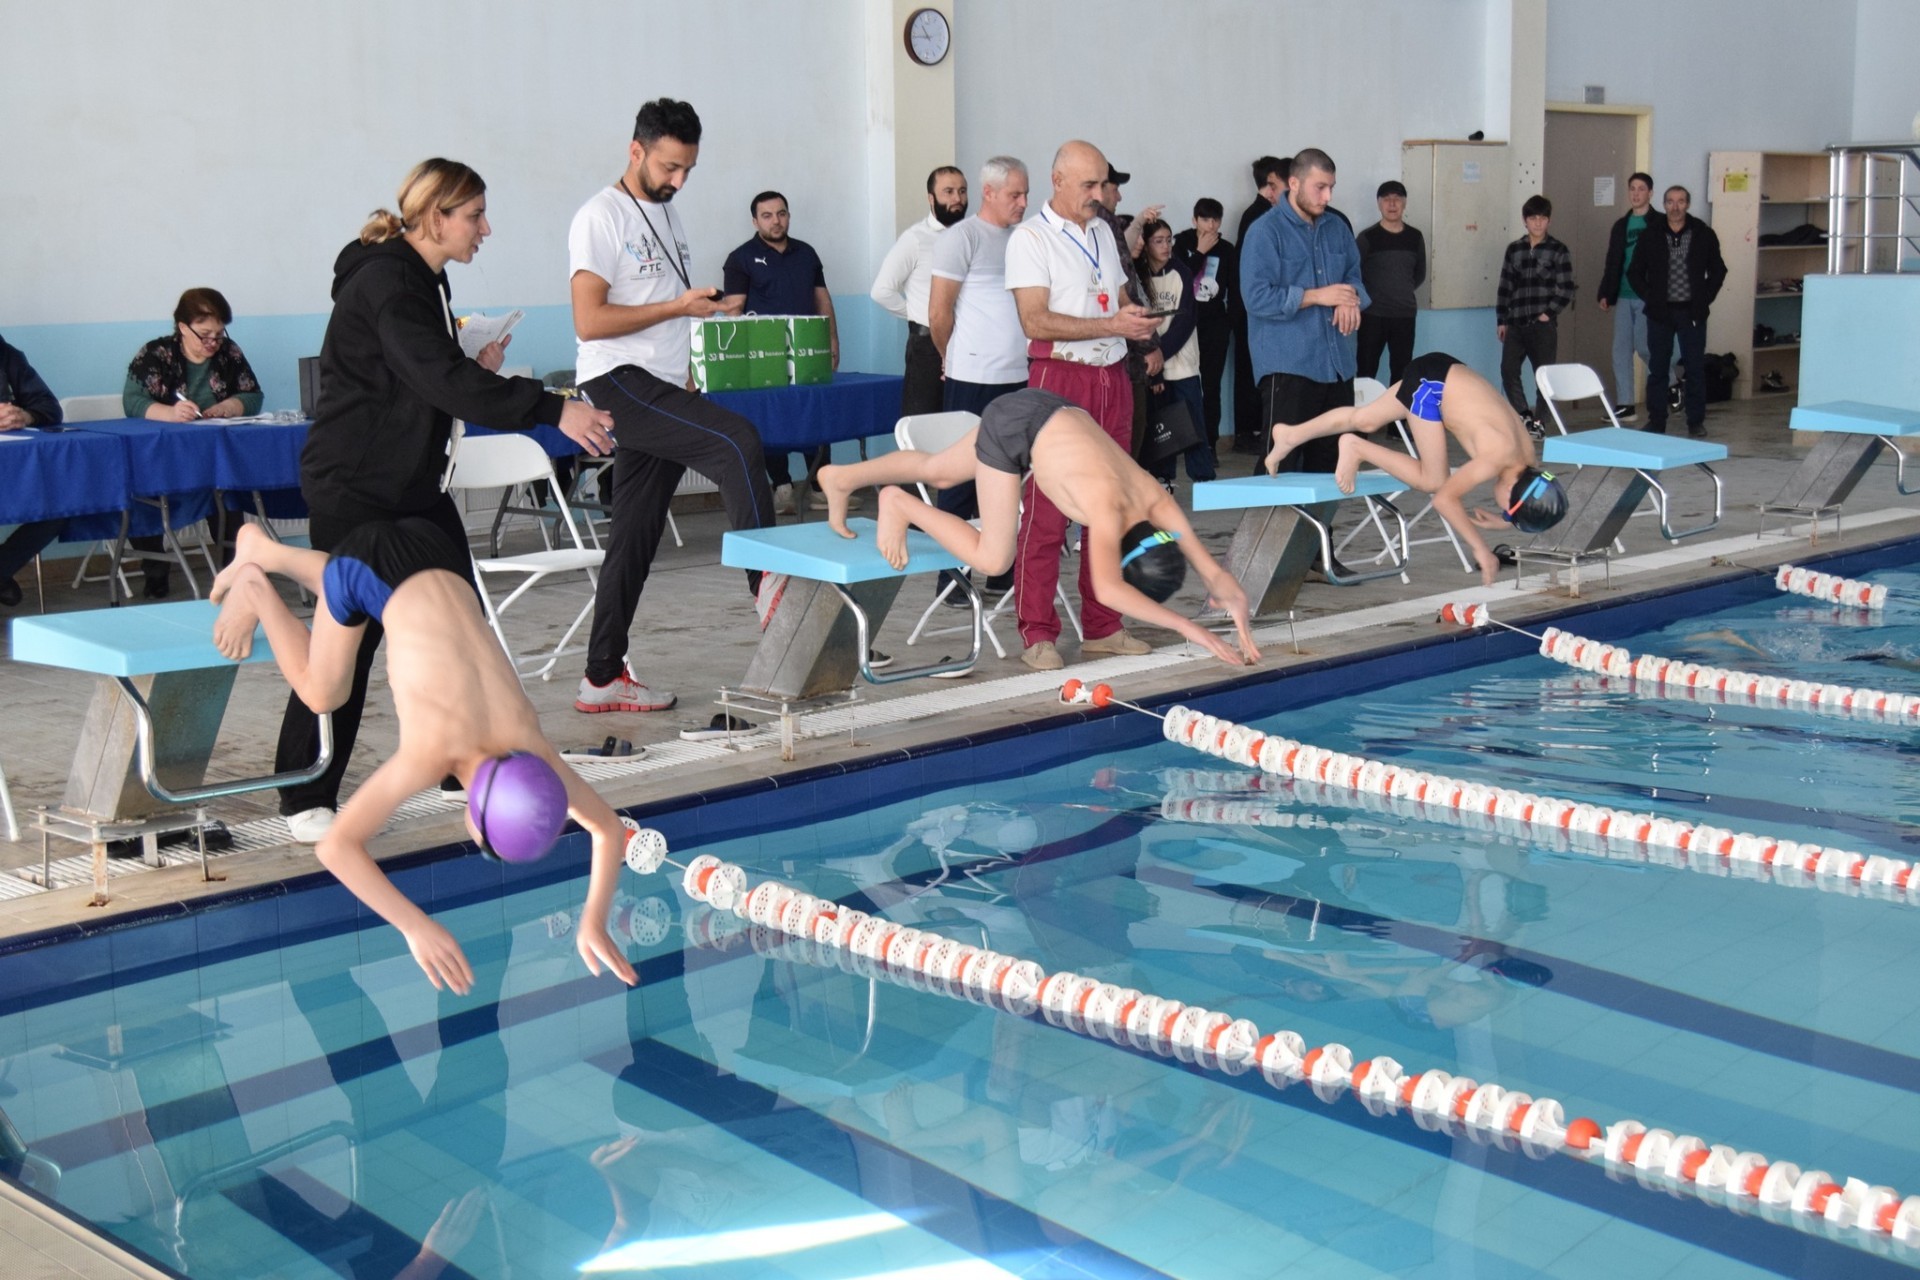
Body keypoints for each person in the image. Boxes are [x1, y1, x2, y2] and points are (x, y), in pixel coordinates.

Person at [275, 158, 615, 845]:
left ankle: (469, 765)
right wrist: (554, 410)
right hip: (356, 488)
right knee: (352, 642)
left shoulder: (424, 276)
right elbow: (434, 376)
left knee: (462, 617)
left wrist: (473, 365)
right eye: (475, 215)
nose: (485, 228)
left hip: (410, 487)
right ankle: (303, 792)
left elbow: (425, 373)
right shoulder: (388, 281)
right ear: (436, 218)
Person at [215, 522, 636, 996]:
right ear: (476, 812)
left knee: (367, 588)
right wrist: (415, 926)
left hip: (439, 553)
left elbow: (608, 828)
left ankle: (265, 549)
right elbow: (335, 848)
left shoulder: (532, 747)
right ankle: (255, 585)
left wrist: (594, 920)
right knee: (323, 693)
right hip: (369, 564)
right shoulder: (433, 751)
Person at [568, 98, 779, 717]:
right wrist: (677, 309)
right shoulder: (599, 217)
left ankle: (601, 677)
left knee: (634, 534)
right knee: (737, 442)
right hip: (617, 380)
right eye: (668, 167)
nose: (678, 180)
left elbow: (667, 301)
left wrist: (696, 330)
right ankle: (776, 609)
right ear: (636, 151)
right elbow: (590, 320)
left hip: (661, 383)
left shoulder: (669, 213)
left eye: (687, 169)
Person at [815, 389, 1259, 666]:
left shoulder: (1156, 502)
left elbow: (1209, 567)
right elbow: (1107, 590)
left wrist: (1231, 597)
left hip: (1045, 406)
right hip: (1020, 432)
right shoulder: (1108, 511)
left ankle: (840, 477)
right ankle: (899, 503)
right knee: (995, 557)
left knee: (940, 471)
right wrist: (1189, 627)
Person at [1003, 141, 1164, 671]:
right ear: (1057, 179)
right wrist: (1111, 325)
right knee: (1047, 511)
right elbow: (1034, 321)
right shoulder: (1030, 239)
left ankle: (1102, 626)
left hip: (1111, 376)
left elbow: (1115, 298)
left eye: (1103, 185)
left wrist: (1135, 319)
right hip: (1059, 379)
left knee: (1109, 507)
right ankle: (1037, 632)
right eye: (1088, 186)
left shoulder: (1102, 231)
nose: (1099, 196)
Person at [1263, 351, 1567, 587]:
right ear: (1514, 495)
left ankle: (1290, 434)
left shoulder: (1527, 456)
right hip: (1432, 388)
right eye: (1511, 513)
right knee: (1435, 479)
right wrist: (1480, 549)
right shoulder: (1496, 456)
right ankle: (1356, 448)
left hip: (1441, 369)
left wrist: (1503, 520)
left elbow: (1523, 495)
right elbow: (1444, 500)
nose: (1504, 512)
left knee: (1366, 419)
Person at [926, 155, 1030, 604]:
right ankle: (951, 578)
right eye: (1015, 195)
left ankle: (1002, 570)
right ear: (989, 193)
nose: (1023, 203)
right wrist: (950, 356)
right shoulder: (961, 237)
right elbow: (938, 312)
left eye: (1026, 194)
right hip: (972, 377)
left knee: (1008, 480)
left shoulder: (1024, 240)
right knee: (961, 480)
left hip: (1019, 375)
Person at [122, 288, 266, 597]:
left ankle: (234, 570)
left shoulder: (230, 352)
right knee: (137, 490)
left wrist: (231, 406)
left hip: (211, 453)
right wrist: (169, 413)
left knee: (227, 486)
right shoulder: (155, 354)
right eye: (204, 335)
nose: (213, 343)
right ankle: (156, 568)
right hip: (161, 453)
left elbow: (252, 395)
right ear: (182, 327)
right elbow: (132, 402)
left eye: (218, 333)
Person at [1241, 148, 1368, 497]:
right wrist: (1318, 296)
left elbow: (1356, 279)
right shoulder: (1264, 232)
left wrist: (1349, 299)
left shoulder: (1337, 227)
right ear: (1293, 183)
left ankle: (1317, 551)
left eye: (1332, 188)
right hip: (1289, 366)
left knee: (1329, 468)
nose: (1327, 196)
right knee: (1280, 464)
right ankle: (1267, 552)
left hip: (1337, 366)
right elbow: (1255, 297)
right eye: (1320, 187)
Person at [722, 191, 839, 513]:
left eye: (781, 213)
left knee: (814, 413)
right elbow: (734, 310)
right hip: (764, 355)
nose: (776, 221)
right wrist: (743, 356)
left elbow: (823, 300)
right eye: (768, 215)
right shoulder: (741, 258)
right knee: (773, 420)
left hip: (808, 349)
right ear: (755, 221)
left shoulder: (807, 253)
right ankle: (783, 488)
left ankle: (818, 487)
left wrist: (832, 340)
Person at [1627, 185, 1727, 439]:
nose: (1675, 206)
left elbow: (1718, 270)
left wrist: (1705, 298)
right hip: (1661, 312)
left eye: (1680, 201)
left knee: (1694, 367)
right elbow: (1634, 272)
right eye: (1670, 201)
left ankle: (1695, 421)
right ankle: (1657, 421)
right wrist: (1651, 297)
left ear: (1688, 204)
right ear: (1663, 204)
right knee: (1658, 368)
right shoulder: (1651, 235)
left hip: (1691, 311)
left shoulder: (1703, 234)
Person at [871, 165, 968, 421]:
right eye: (948, 191)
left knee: (963, 423)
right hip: (927, 348)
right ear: (931, 198)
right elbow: (881, 291)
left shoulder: (971, 236)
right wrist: (920, 314)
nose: (957, 198)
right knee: (923, 425)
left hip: (967, 344)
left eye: (962, 191)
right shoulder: (915, 239)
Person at [1135, 218, 1214, 484]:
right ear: (1145, 245)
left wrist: (1160, 355)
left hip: (1182, 363)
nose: (1166, 246)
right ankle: (1164, 479)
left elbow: (1185, 322)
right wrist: (1155, 371)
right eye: (1159, 241)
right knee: (1162, 427)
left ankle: (1203, 478)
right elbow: (1142, 325)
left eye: (1169, 240)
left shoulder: (1181, 272)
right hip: (1154, 368)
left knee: (1193, 424)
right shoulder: (1138, 277)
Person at [1495, 195, 1575, 430]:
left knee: (1544, 375)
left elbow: (1567, 287)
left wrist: (1548, 314)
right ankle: (1524, 415)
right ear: (1525, 220)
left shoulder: (1558, 250)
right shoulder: (1515, 249)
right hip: (1515, 322)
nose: (1537, 223)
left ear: (1548, 221)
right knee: (1508, 370)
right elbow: (1505, 286)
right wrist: (1502, 319)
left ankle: (1540, 421)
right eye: (1533, 218)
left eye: (1542, 218)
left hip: (1543, 324)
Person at [0, 335, 65, 608]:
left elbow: (50, 407)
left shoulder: (6, 354)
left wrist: (23, 416)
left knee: (63, 501)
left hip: (11, 466)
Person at [1230, 157, 1287, 455]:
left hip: (1253, 307)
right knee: (1250, 371)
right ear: (1271, 184)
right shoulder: (1258, 217)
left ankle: (1254, 429)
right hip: (1251, 308)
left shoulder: (1264, 214)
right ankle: (1247, 432)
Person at [1172, 198, 1237, 450]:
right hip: (1185, 325)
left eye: (1215, 220)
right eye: (1205, 219)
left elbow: (1234, 288)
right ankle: (1182, 442)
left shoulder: (1227, 249)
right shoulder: (1182, 242)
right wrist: (1199, 252)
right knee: (1183, 383)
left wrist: (1229, 322)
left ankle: (1210, 443)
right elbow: (1179, 280)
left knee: (1211, 386)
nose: (1211, 225)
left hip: (1215, 326)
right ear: (1194, 220)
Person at [1354, 180, 1427, 385]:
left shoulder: (1415, 237)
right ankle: (1365, 417)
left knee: (1402, 372)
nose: (1392, 204)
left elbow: (1420, 273)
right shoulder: (1367, 237)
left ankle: (1396, 416)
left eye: (1397, 199)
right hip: (1372, 315)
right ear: (1379, 203)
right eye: (1386, 199)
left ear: (1404, 203)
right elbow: (1353, 274)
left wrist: (1399, 291)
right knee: (1366, 369)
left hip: (1404, 315)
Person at [1597, 172, 1656, 419]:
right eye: (1632, 188)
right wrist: (1605, 293)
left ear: (1650, 193)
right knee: (1620, 350)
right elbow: (1613, 261)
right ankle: (1626, 404)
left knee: (1645, 346)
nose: (1636, 193)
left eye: (1641, 189)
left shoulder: (1658, 223)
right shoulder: (1621, 225)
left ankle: (1673, 382)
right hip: (1623, 294)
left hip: (1648, 295)